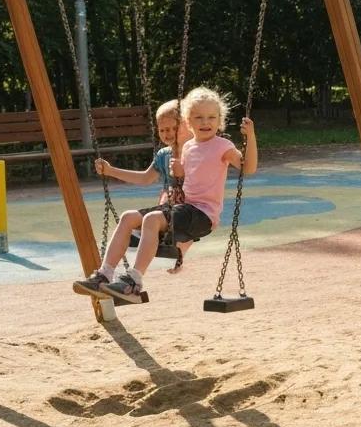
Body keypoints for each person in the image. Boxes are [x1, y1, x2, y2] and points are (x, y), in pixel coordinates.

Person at [73, 86, 258, 303]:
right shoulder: (188, 147)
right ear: (189, 121)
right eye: (198, 117)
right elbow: (182, 183)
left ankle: (133, 282)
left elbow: (248, 168)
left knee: (152, 219)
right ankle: (103, 275)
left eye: (211, 117)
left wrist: (251, 137)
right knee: (128, 217)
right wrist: (179, 174)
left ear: (220, 120)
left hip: (203, 215)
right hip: (182, 208)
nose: (205, 122)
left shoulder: (222, 146)